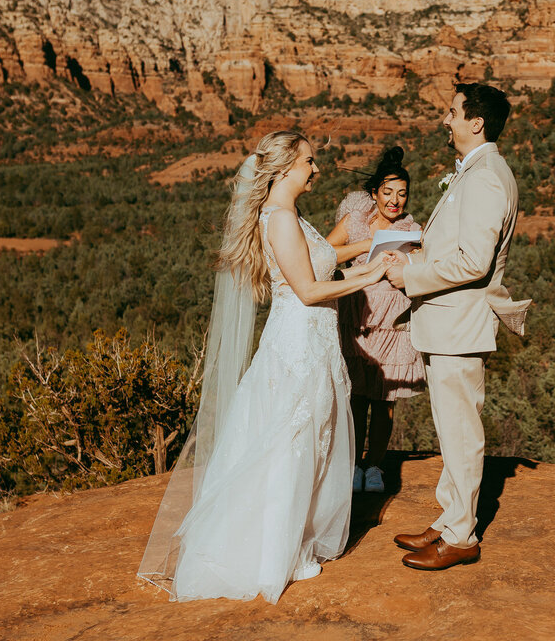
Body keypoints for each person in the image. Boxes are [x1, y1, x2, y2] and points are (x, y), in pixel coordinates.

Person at [137, 130, 400, 604]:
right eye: (310, 162)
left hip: (312, 341)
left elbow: (324, 269)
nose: (316, 169)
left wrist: (371, 265)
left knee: (310, 441)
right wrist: (374, 274)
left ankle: (292, 541)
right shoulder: (279, 219)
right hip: (297, 342)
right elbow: (308, 290)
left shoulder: (291, 216)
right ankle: (274, 556)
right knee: (291, 445)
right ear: (285, 168)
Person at [385, 82, 531, 571]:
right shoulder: (473, 172)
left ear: (476, 122)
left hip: (459, 324)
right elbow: (457, 249)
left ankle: (462, 536)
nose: (444, 121)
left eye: (451, 113)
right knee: (450, 428)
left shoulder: (487, 176)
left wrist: (410, 276)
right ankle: (450, 517)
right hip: (447, 323)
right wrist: (419, 251)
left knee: (461, 431)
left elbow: (473, 261)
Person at [327, 146, 425, 495]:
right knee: (355, 396)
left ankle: (375, 467)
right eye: (387, 192)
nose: (395, 200)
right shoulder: (354, 222)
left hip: (393, 323)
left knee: (385, 400)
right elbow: (326, 253)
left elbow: (424, 266)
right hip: (358, 317)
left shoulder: (412, 228)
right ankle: (352, 463)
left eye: (402, 194)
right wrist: (364, 247)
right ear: (374, 193)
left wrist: (412, 259)